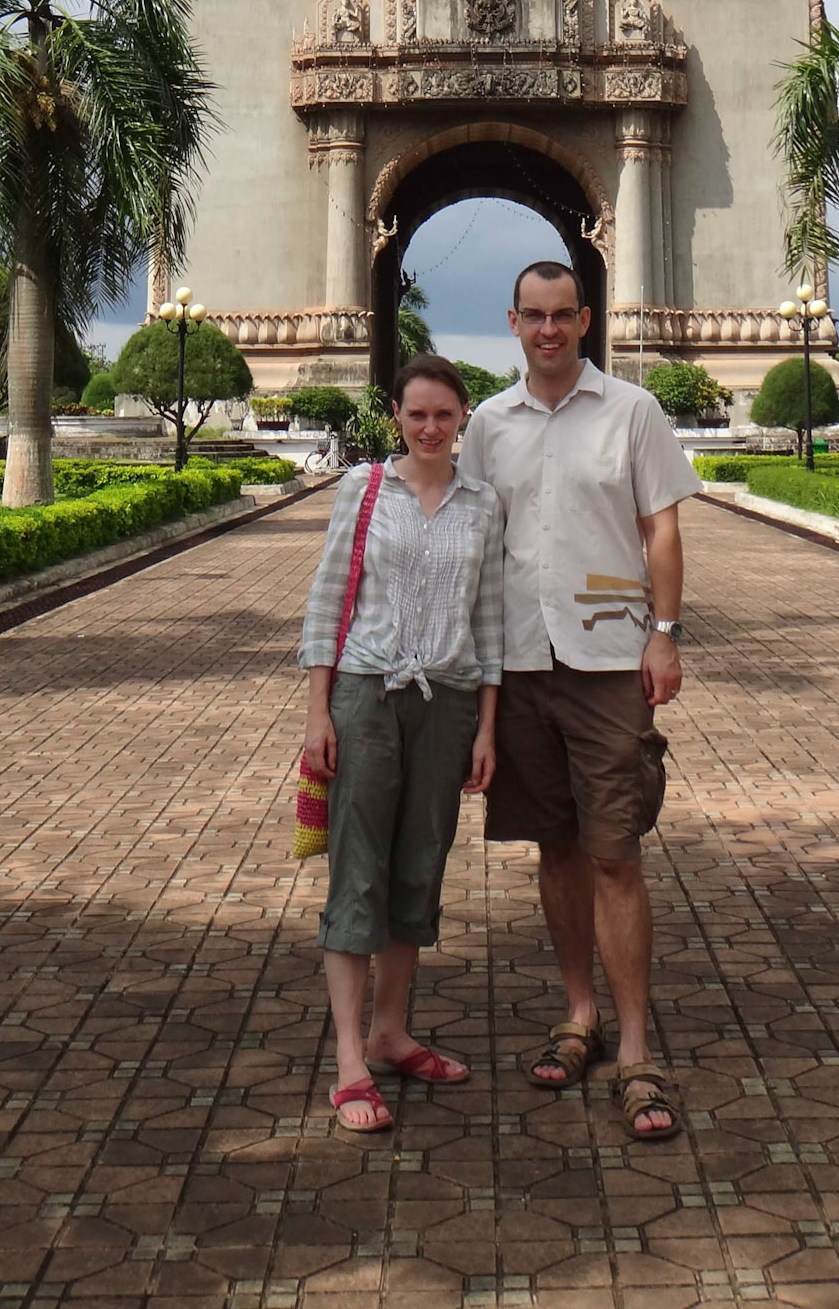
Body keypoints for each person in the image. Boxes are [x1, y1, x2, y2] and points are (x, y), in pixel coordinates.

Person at [457, 260, 698, 1141]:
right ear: (513, 322)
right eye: (535, 316)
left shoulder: (632, 412)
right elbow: (474, 537)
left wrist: (664, 630)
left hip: (606, 659)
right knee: (555, 847)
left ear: (585, 320)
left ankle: (636, 1049)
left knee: (614, 853)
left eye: (564, 316)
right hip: (521, 659)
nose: (549, 330)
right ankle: (579, 1014)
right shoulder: (487, 425)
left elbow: (660, 527)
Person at [299, 354, 504, 1132]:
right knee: (358, 869)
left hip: (447, 703)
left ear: (463, 419)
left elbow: (490, 621)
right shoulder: (363, 490)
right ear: (397, 416)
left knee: (420, 865)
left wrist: (488, 725)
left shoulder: (483, 505)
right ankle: (351, 1061)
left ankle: (391, 1031)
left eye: (443, 416)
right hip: (366, 693)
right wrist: (319, 713)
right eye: (416, 414)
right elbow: (326, 603)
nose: (429, 428)